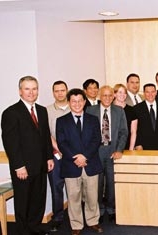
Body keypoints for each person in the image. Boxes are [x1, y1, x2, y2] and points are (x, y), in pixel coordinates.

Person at [1, 76, 54, 235]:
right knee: (23, 201)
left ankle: (35, 228)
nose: (31, 92)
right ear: (20, 91)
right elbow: (11, 143)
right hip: (22, 168)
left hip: (40, 165)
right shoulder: (11, 112)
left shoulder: (42, 110)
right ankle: (23, 232)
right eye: (27, 89)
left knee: (38, 200)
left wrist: (49, 157)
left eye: (34, 89)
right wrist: (19, 166)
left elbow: (45, 137)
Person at [56, 88, 103, 235]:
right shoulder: (61, 121)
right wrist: (75, 157)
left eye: (79, 101)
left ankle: (93, 221)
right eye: (73, 101)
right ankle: (76, 224)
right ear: (69, 102)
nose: (77, 104)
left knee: (92, 196)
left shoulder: (93, 119)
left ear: (84, 102)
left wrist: (85, 156)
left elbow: (97, 140)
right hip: (71, 164)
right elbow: (61, 143)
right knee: (73, 196)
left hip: (90, 163)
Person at [86, 85, 128, 223]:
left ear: (113, 96)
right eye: (104, 95)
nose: (107, 98)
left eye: (110, 95)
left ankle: (111, 209)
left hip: (112, 150)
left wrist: (119, 150)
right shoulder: (90, 111)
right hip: (96, 151)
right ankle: (98, 209)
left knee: (111, 182)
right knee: (96, 184)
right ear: (99, 96)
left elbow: (123, 132)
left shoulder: (119, 111)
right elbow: (87, 133)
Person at [46, 80, 70, 232]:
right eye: (57, 91)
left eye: (63, 90)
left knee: (76, 187)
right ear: (53, 92)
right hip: (56, 154)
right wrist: (58, 149)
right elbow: (46, 133)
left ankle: (78, 216)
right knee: (56, 186)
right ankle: (58, 217)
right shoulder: (46, 111)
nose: (60, 93)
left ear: (67, 91)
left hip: (74, 155)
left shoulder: (76, 106)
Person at [130, 83, 158, 150]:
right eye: (147, 92)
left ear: (156, 92)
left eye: (152, 92)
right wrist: (138, 144)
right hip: (143, 147)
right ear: (144, 93)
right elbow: (136, 129)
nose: (150, 94)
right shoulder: (137, 108)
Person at [113, 84, 134, 150]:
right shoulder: (109, 108)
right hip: (111, 146)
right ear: (114, 94)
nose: (123, 95)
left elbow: (133, 131)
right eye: (120, 92)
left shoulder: (131, 110)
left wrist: (131, 148)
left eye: (125, 93)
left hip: (127, 145)